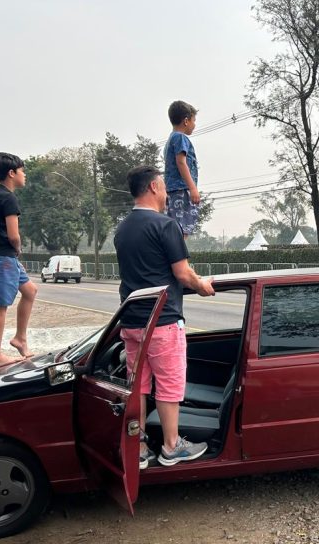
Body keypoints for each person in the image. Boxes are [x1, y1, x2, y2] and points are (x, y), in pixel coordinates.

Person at [113, 165, 216, 469]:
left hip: (131, 322)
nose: (168, 194)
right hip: (162, 321)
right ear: (155, 187)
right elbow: (182, 273)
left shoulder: (122, 229)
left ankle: (140, 445)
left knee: (139, 387)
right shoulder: (164, 225)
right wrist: (203, 286)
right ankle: (172, 446)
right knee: (170, 385)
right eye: (165, 187)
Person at [0, 152, 38, 369]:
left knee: (30, 291)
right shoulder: (7, 197)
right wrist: (18, 249)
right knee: (0, 306)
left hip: (2, 255)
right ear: (11, 173)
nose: (25, 175)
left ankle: (20, 338)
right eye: (22, 171)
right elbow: (13, 235)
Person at [164, 100, 202, 238]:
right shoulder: (180, 138)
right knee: (182, 227)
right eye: (194, 120)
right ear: (186, 121)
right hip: (181, 190)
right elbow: (181, 162)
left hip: (173, 189)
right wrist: (192, 188)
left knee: (176, 227)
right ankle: (178, 257)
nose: (194, 124)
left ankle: (175, 256)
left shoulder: (171, 139)